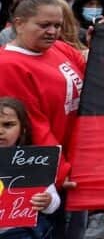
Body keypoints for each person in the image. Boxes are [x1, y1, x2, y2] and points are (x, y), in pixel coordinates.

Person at [0, 0, 85, 239]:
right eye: (44, 25)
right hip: (50, 175)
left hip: (77, 160)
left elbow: (89, 76)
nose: (52, 31)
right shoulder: (9, 66)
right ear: (19, 23)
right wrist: (61, 172)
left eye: (57, 25)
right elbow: (34, 128)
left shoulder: (59, 48)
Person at [0, 96, 61, 239]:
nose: (0, 131)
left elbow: (54, 200)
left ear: (23, 130)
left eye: (8, 125)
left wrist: (47, 201)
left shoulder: (33, 161)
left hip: (19, 233)